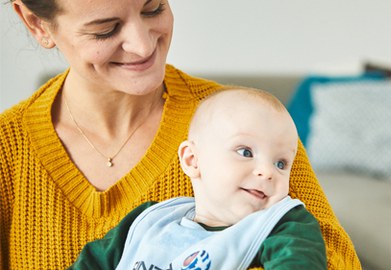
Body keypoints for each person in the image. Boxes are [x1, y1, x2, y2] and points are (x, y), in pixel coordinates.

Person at [0, 0, 361, 269]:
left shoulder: (250, 126)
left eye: (153, 7)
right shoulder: (7, 149)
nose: (143, 46)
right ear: (37, 24)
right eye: (105, 29)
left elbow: (336, 260)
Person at [69, 88, 327, 270]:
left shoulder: (282, 224)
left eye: (281, 163)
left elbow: (299, 261)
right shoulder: (151, 220)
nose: (267, 171)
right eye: (245, 152)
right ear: (192, 160)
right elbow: (91, 262)